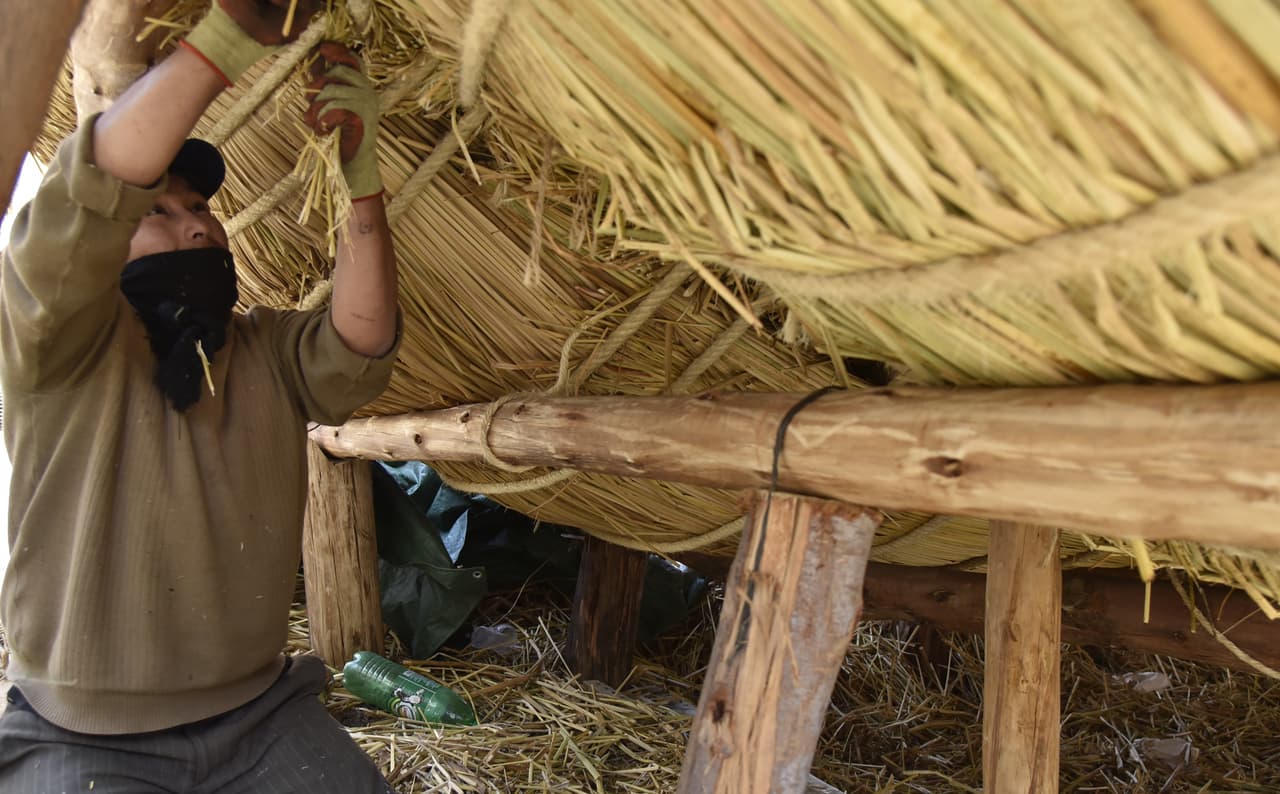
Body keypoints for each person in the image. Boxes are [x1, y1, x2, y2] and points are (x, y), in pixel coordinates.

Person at [0, 2, 401, 791]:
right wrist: (227, 41)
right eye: (158, 212)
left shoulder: (261, 349)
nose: (196, 228)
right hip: (82, 735)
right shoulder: (60, 342)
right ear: (110, 245)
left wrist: (359, 182)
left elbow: (361, 340)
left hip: (259, 715)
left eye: (201, 211)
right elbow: (92, 192)